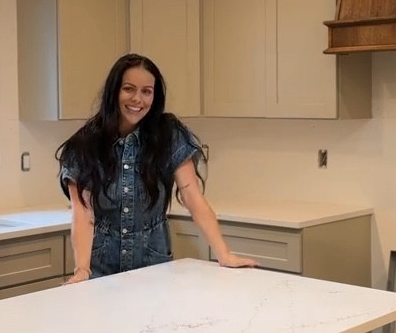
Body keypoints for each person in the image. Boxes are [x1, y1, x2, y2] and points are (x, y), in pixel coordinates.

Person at [57, 53, 256, 283]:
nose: (137, 99)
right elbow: (82, 213)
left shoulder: (169, 135)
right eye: (129, 89)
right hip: (102, 270)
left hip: (154, 266)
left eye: (146, 91)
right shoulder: (84, 146)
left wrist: (224, 254)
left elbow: (192, 197)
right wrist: (82, 270)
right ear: (114, 92)